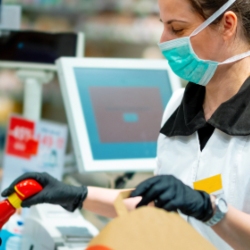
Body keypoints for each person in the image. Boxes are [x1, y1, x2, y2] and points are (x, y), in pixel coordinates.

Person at [2, 0, 250, 248]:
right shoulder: (179, 106)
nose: (163, 41)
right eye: (163, 26)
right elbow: (154, 204)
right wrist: (75, 195)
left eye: (177, 29)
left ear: (227, 25)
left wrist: (210, 209)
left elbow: (198, 207)